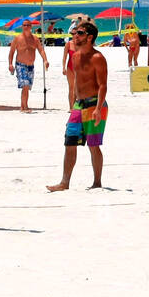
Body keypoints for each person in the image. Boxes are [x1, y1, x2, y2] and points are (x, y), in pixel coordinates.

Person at [48, 21, 108, 191]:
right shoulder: (75, 57)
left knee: (93, 145)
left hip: (95, 104)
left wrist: (97, 109)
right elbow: (75, 83)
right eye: (75, 33)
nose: (75, 35)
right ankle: (64, 183)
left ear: (89, 38)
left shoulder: (98, 58)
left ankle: (97, 182)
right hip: (78, 105)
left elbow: (103, 85)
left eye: (79, 33)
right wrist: (73, 103)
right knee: (70, 141)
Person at [7, 19, 49, 112]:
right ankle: (25, 107)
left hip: (31, 66)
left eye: (28, 25)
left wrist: (45, 60)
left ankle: (23, 107)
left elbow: (41, 50)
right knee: (25, 85)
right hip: (20, 65)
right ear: (22, 27)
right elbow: (12, 52)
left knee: (27, 87)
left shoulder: (35, 39)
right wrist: (10, 64)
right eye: (24, 25)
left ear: (31, 26)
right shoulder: (18, 38)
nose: (26, 27)